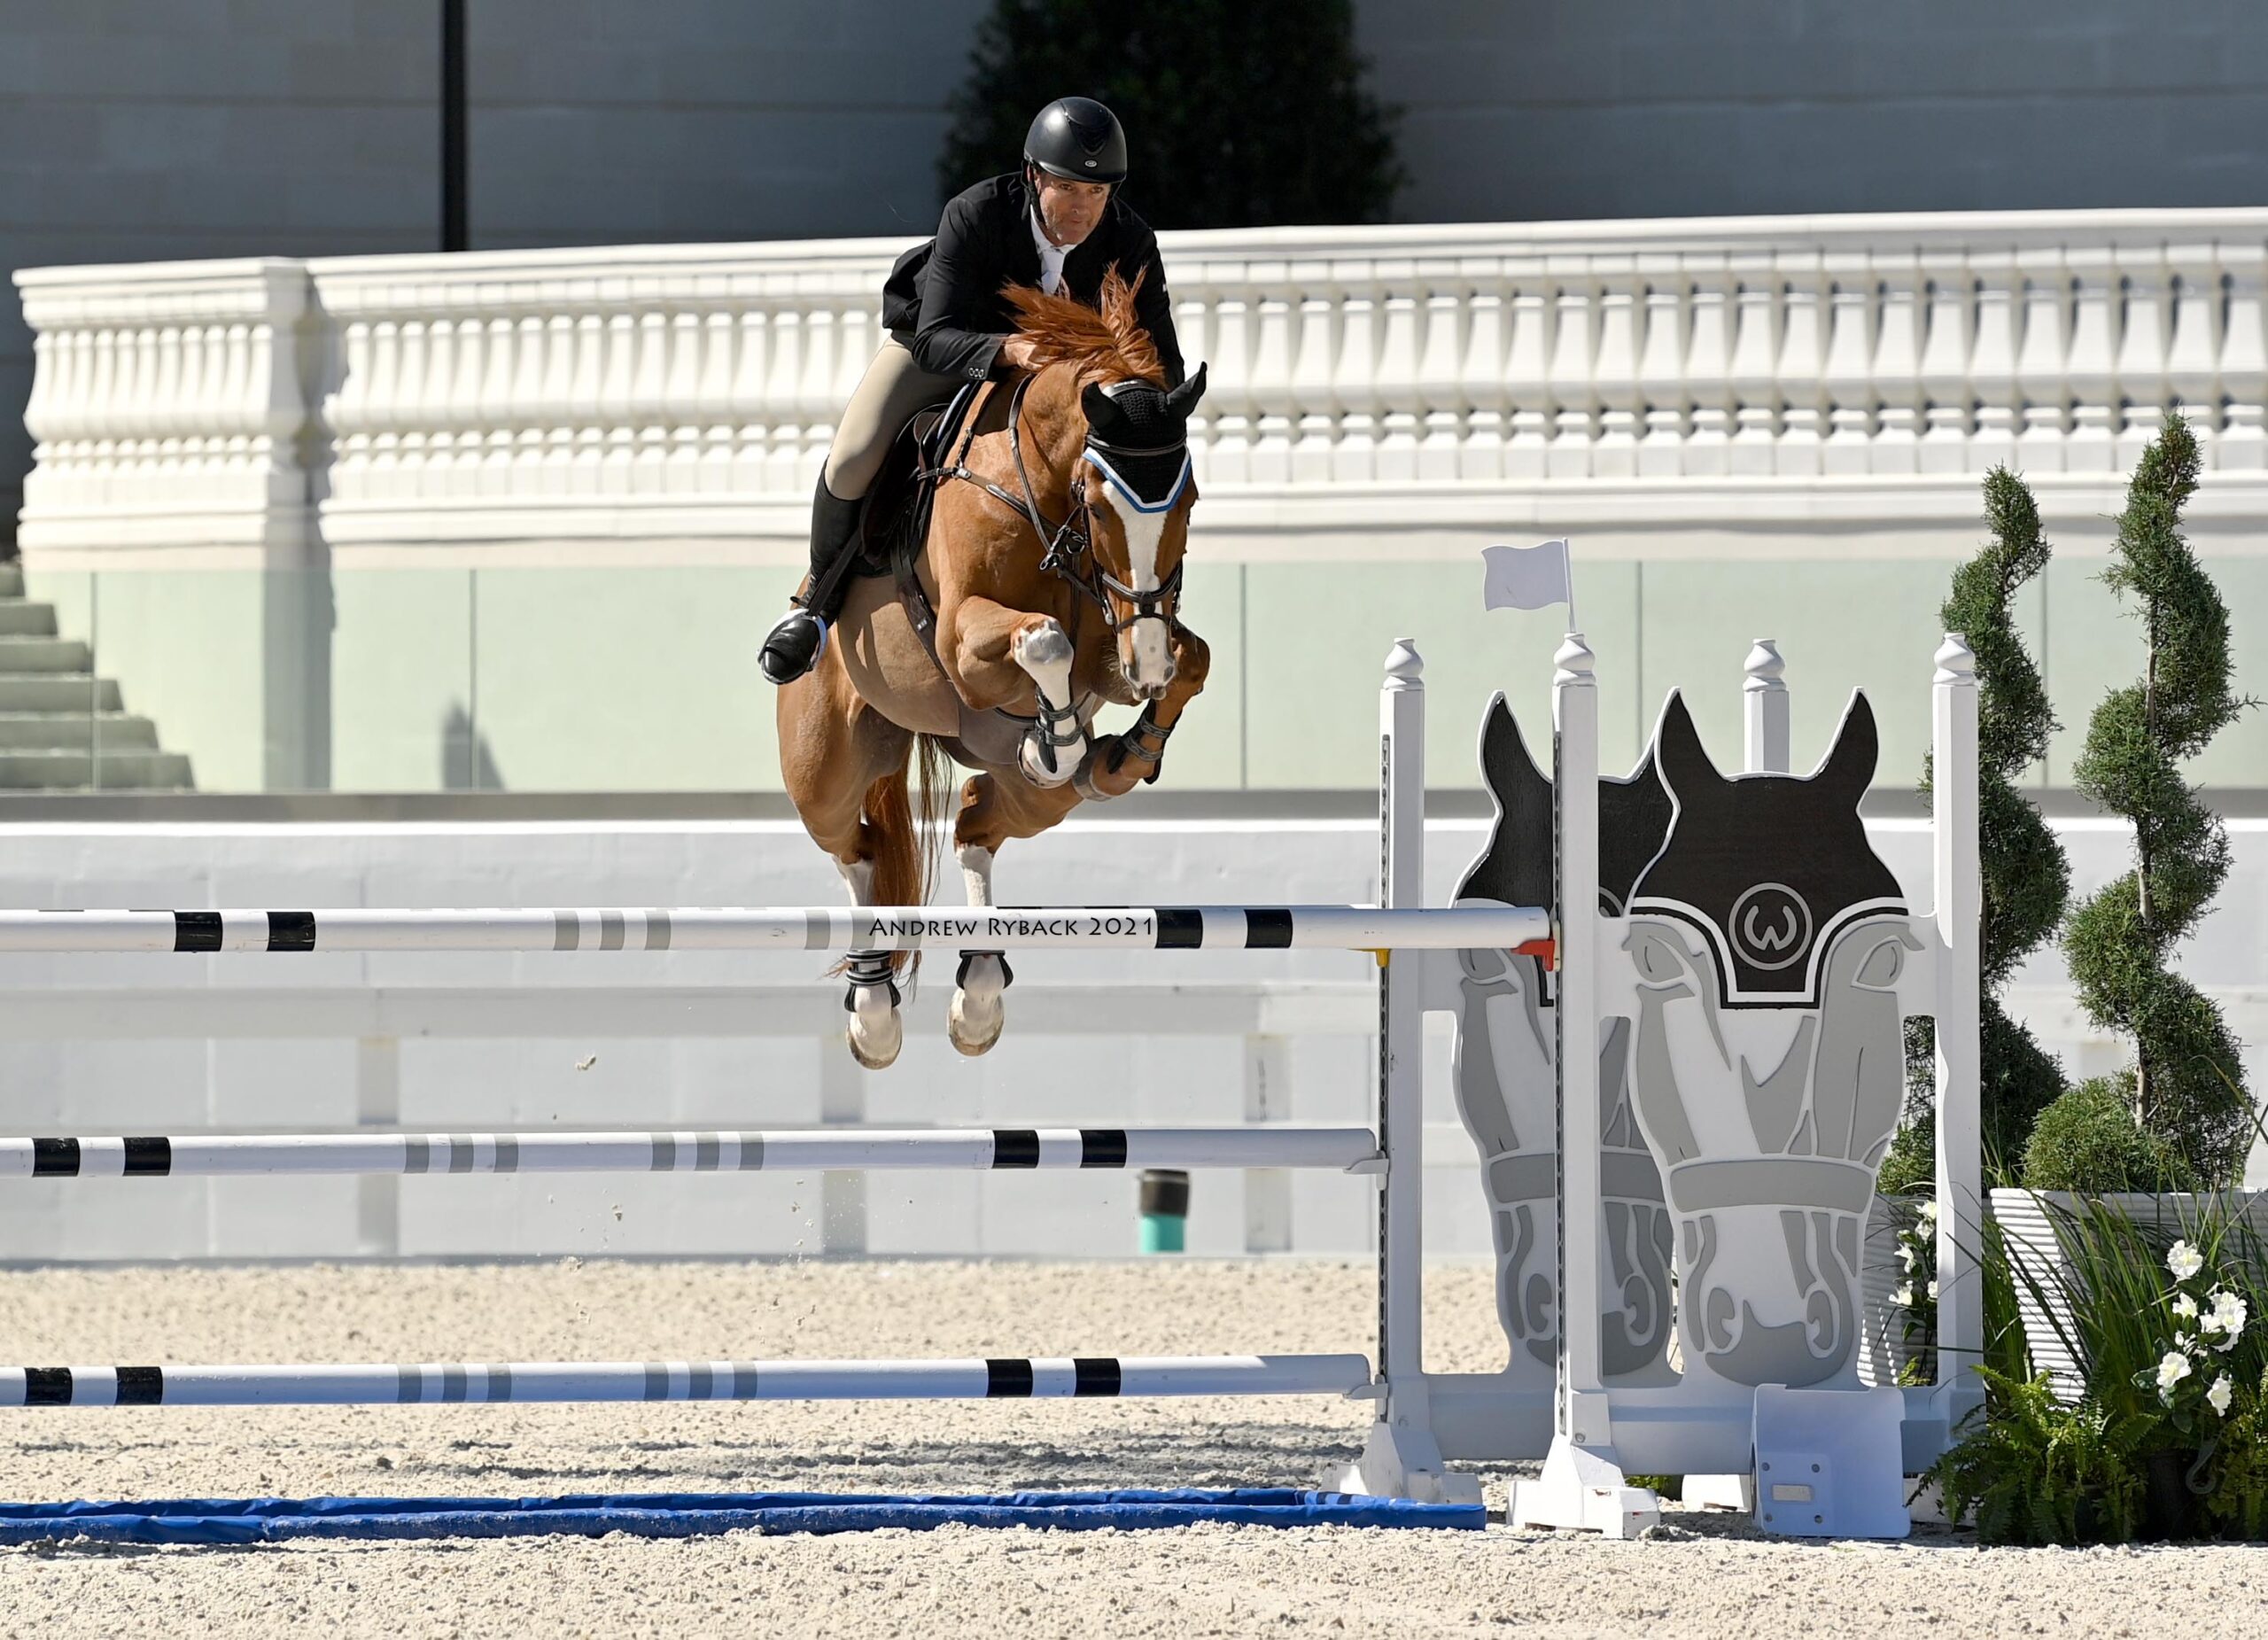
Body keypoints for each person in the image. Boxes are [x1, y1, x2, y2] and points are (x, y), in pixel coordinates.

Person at [757, 96, 1187, 685]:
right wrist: (1008, 350)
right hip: (955, 348)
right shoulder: (976, 213)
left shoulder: (1130, 239)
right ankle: (815, 607)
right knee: (855, 455)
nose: (1082, 208)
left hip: (1060, 384)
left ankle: (1140, 611)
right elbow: (935, 338)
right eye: (1066, 188)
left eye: (1097, 193)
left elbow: (1164, 362)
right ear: (1034, 176)